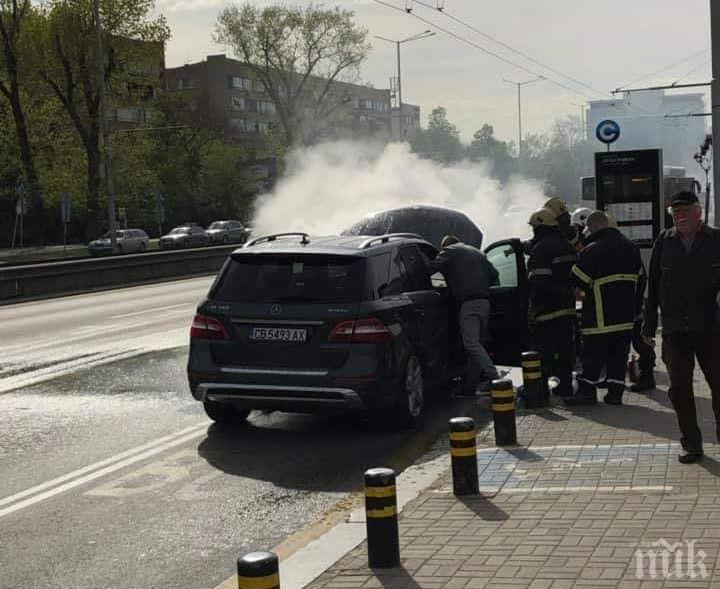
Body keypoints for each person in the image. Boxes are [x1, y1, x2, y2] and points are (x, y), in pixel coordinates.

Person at [643, 191, 720, 463]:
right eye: (676, 213)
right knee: (679, 390)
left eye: (685, 212)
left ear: (699, 213)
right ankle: (691, 444)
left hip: (711, 329)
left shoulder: (715, 240)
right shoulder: (664, 242)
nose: (680, 217)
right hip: (675, 330)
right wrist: (648, 328)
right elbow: (652, 287)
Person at [565, 211, 641, 406]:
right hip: (625, 316)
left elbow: (576, 280)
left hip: (599, 316)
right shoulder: (631, 247)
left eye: (589, 229)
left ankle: (587, 393)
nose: (588, 232)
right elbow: (642, 279)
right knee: (619, 355)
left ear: (595, 227)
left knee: (593, 356)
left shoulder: (593, 249)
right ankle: (615, 394)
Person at [424, 235, 501, 395]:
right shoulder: (476, 252)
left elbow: (430, 268)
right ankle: (470, 386)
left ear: (446, 245)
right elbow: (494, 274)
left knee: (471, 344)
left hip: (469, 303)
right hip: (485, 302)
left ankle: (494, 378)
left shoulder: (449, 250)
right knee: (477, 344)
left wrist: (420, 261)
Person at [527, 208, 577, 398]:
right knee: (565, 352)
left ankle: (539, 393)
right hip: (568, 308)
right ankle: (565, 387)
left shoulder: (541, 249)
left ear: (539, 227)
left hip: (547, 310)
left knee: (543, 354)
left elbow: (539, 282)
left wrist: (535, 308)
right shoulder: (566, 245)